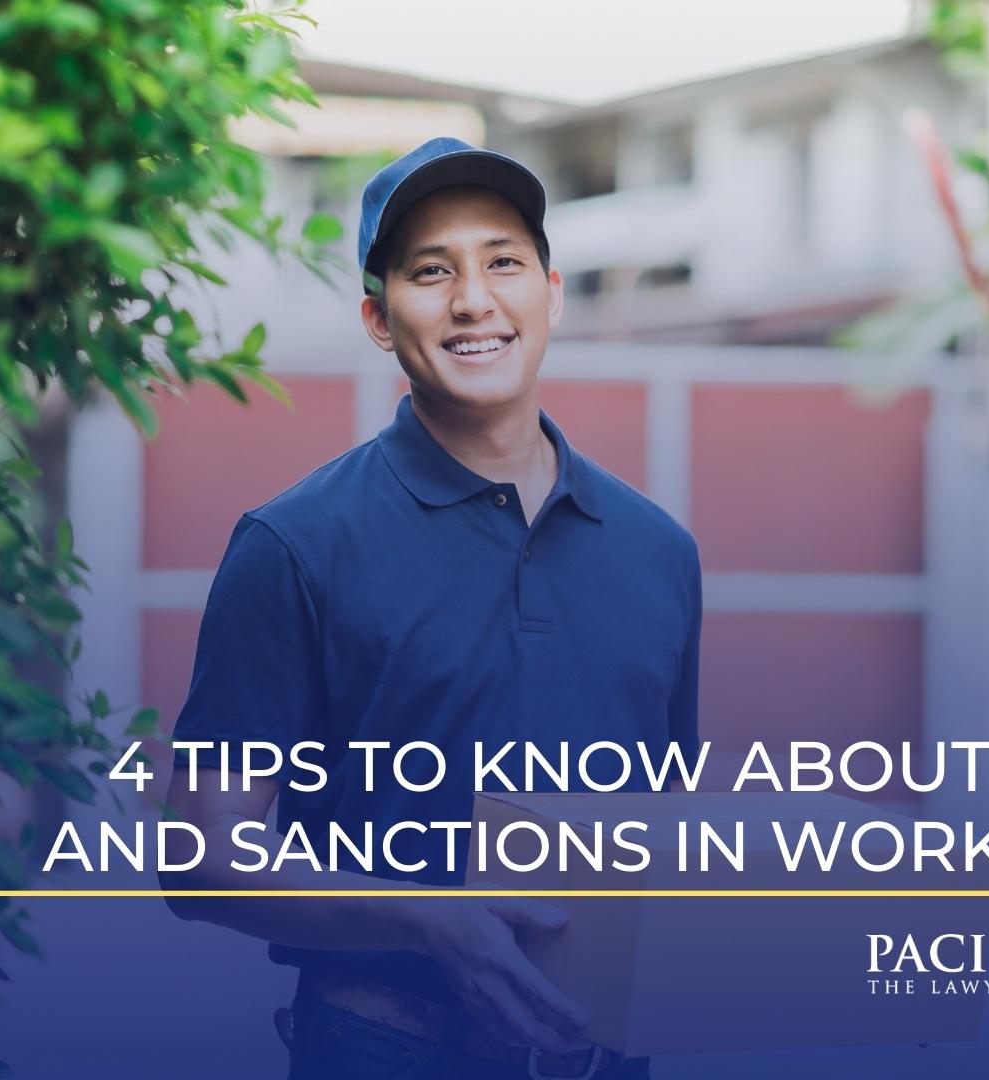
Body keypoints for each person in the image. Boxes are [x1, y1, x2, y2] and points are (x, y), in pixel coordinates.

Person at [162, 137, 702, 1080]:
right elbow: (201, 856)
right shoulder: (295, 544)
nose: (473, 300)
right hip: (386, 1049)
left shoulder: (660, 553)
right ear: (379, 317)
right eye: (430, 271)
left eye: (503, 262)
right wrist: (423, 916)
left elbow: (667, 837)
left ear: (553, 292)